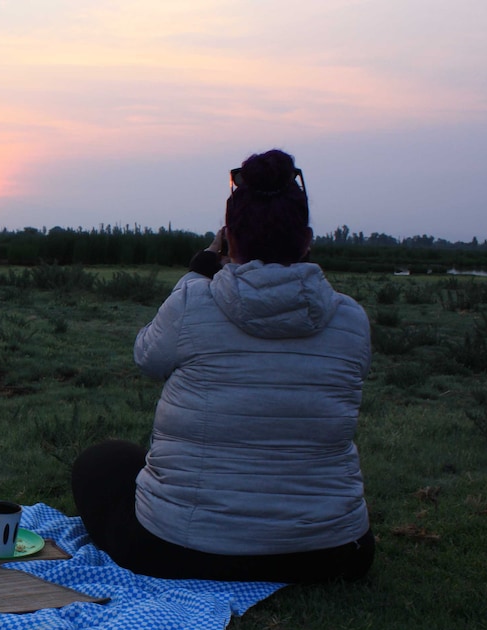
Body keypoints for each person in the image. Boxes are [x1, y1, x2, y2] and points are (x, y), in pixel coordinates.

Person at [71, 149, 373, 583]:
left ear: (229, 237)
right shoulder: (352, 319)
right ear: (306, 239)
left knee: (100, 463)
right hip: (334, 554)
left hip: (184, 549)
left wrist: (198, 272)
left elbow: (146, 356)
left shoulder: (194, 301)